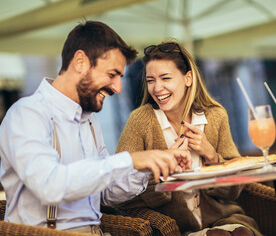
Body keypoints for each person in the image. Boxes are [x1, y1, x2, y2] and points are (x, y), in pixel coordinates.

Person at [0, 21, 191, 235]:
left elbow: (107, 193)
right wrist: (131, 159)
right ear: (80, 62)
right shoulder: (27, 114)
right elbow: (49, 186)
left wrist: (150, 166)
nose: (118, 88)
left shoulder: (89, 120)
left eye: (120, 77)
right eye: (112, 74)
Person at [116, 41, 262, 236]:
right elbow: (120, 190)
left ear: (188, 78)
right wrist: (164, 168)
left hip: (224, 218)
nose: (157, 88)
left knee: (243, 233)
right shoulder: (141, 121)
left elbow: (234, 191)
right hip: (173, 227)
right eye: (151, 80)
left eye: (165, 78)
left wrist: (212, 157)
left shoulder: (215, 116)